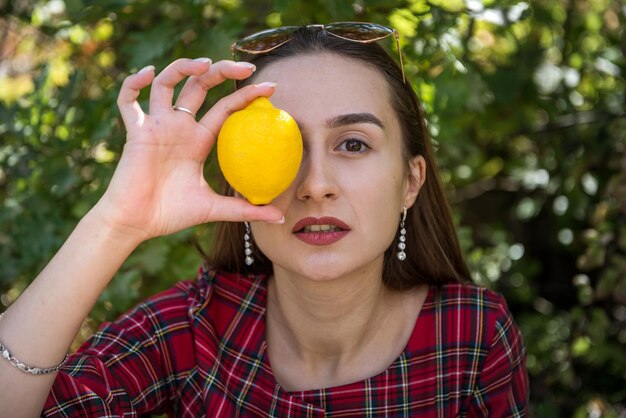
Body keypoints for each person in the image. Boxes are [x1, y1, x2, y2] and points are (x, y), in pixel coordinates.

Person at [0, 23, 528, 417]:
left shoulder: (471, 337)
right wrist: (119, 220)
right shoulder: (195, 329)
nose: (315, 183)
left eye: (352, 143)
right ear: (238, 174)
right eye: (288, 146)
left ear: (410, 180)